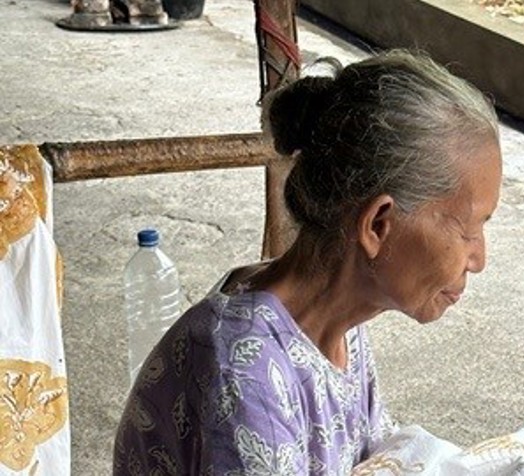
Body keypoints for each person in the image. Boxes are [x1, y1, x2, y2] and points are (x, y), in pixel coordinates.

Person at [112, 49, 502, 475]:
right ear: (378, 225)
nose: (478, 258)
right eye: (469, 230)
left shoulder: (338, 328)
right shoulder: (247, 368)